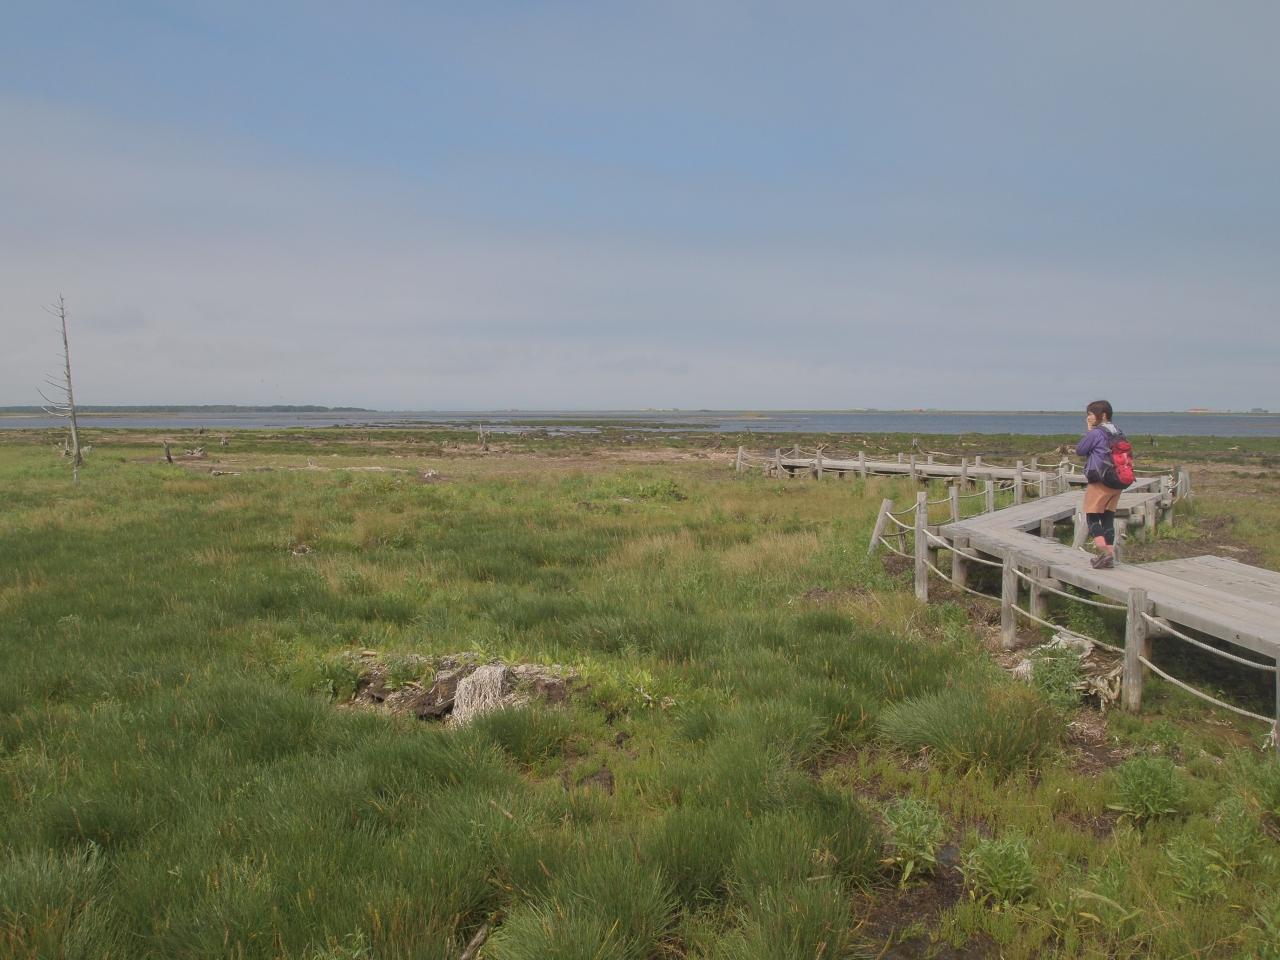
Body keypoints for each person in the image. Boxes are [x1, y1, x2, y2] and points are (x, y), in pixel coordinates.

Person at [1076, 400, 1123, 569]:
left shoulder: (1096, 433)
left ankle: (1106, 553)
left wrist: (1090, 430)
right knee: (1107, 518)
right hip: (1118, 480)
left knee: (1092, 516)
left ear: (1102, 415)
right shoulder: (1118, 431)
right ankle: (1108, 556)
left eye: (1090, 414)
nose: (1088, 417)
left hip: (1100, 481)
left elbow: (1080, 450)